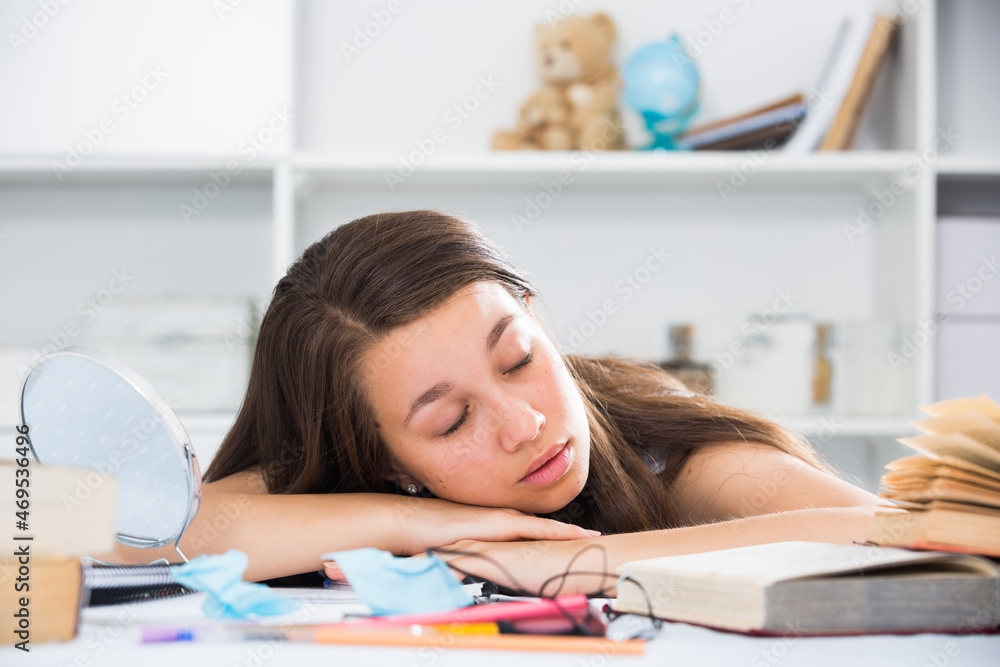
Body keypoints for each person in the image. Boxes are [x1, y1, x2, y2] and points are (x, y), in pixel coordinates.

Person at [113, 210, 886, 593]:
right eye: (451, 420)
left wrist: (563, 563)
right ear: (383, 460)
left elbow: (898, 534)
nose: (527, 424)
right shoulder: (371, 493)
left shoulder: (664, 447)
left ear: (535, 315)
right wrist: (415, 524)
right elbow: (133, 530)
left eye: (518, 359)